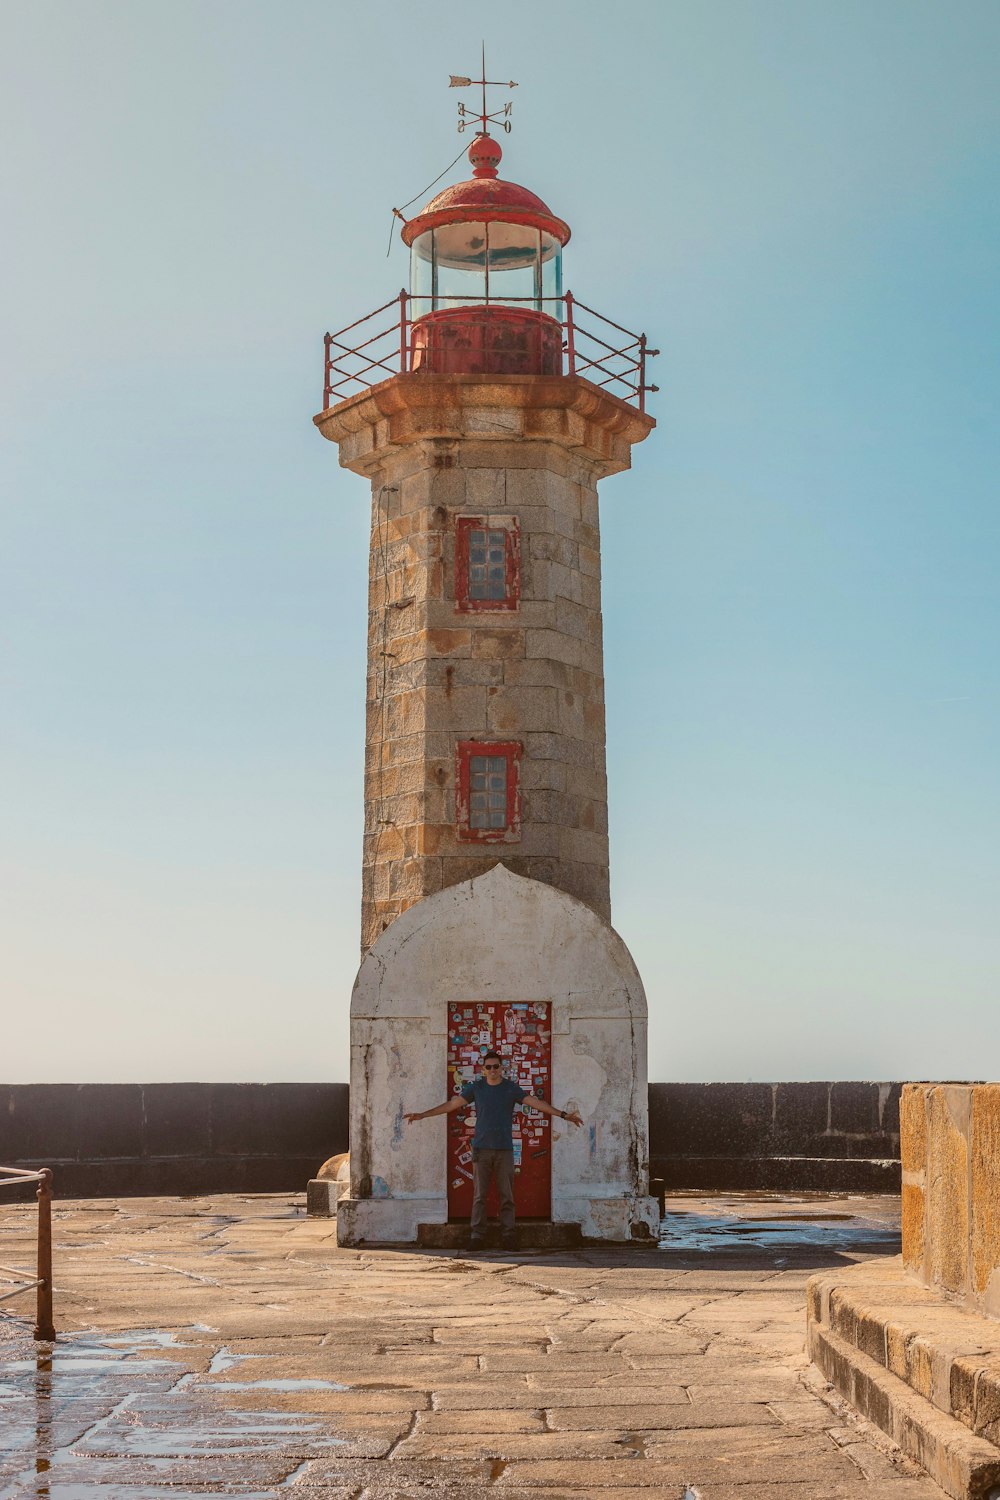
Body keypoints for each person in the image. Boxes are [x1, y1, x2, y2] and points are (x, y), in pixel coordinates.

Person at [404, 1051, 583, 1250]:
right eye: (488, 1067)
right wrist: (422, 1115)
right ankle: (477, 1237)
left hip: (504, 1150)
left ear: (501, 1068)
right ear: (483, 1069)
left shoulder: (510, 1089)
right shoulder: (476, 1088)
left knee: (507, 1195)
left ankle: (509, 1236)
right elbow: (452, 1105)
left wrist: (564, 1115)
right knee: (479, 1196)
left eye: (495, 1066)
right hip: (481, 1150)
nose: (492, 1070)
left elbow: (536, 1103)